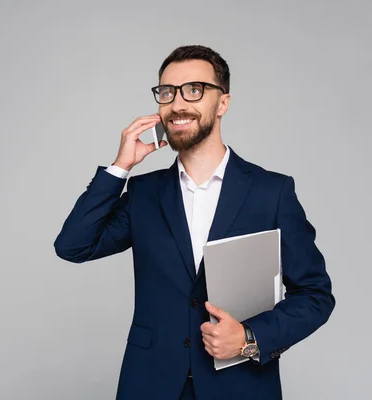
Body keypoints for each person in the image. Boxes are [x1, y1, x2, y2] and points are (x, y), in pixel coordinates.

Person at [53, 45, 335, 399]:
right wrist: (120, 168)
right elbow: (73, 245)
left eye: (194, 90)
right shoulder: (143, 193)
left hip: (240, 386)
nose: (178, 103)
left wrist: (250, 338)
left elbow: (315, 295)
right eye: (167, 92)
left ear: (223, 103)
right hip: (151, 385)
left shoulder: (272, 192)